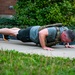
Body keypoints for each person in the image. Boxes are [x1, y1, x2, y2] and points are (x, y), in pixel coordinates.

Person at [0, 24, 75, 50]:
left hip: (33, 29)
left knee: (18, 31)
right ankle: (3, 31)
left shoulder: (66, 30)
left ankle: (6, 31)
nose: (65, 42)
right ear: (64, 35)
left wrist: (67, 45)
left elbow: (68, 35)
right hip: (31, 33)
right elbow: (41, 33)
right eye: (66, 41)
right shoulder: (54, 31)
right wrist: (44, 46)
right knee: (13, 33)